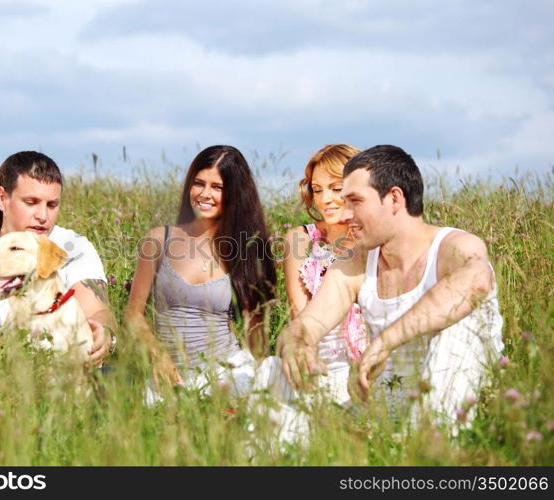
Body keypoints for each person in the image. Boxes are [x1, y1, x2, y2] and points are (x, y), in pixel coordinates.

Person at [278, 145, 503, 428]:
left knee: (456, 332)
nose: (345, 214)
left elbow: (478, 281)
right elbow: (307, 322)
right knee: (277, 371)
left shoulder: (452, 246)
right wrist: (297, 344)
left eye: (355, 201)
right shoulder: (357, 261)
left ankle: (433, 449)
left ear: (394, 198)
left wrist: (385, 342)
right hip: (382, 399)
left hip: (451, 397)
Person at [125, 145, 277, 401]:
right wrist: (158, 356)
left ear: (235, 194)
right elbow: (133, 315)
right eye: (199, 183)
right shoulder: (159, 239)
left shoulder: (247, 248)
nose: (205, 194)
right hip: (168, 377)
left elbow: (255, 333)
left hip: (227, 374)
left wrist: (261, 388)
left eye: (217, 187)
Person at [0, 151, 116, 365]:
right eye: (31, 202)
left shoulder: (75, 247)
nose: (42, 216)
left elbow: (97, 310)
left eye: (52, 205)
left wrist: (104, 333)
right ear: (2, 198)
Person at [255, 144, 368, 408]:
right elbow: (299, 315)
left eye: (336, 188)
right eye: (317, 190)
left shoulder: (372, 238)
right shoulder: (300, 238)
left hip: (364, 364)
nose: (325, 199)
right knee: (270, 373)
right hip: (316, 359)